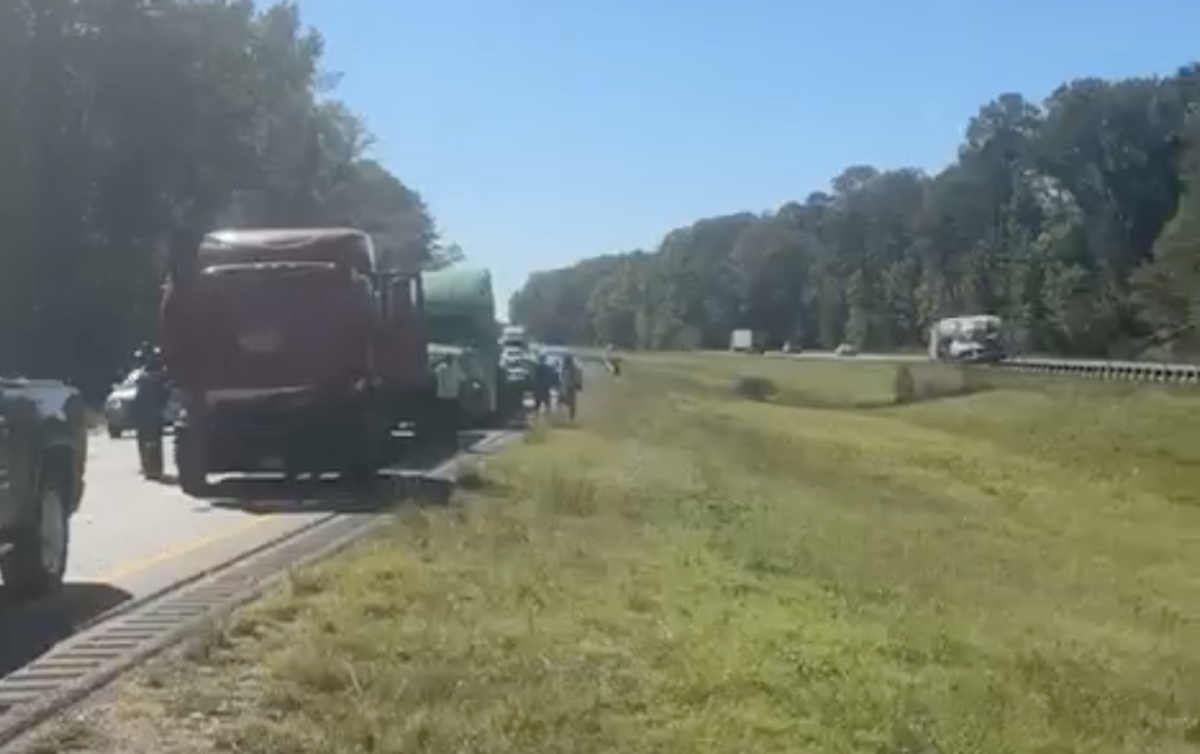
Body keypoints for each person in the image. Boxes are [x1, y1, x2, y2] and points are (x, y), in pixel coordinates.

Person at [131, 347, 170, 481]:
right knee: (150, 441)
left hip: (149, 413)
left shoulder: (149, 377)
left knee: (149, 441)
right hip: (149, 413)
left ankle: (152, 468)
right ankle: (152, 468)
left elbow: (163, 395)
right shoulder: (145, 376)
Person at [557, 354, 581, 421]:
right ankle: (565, 416)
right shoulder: (567, 368)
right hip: (568, 386)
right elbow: (562, 377)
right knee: (568, 401)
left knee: (568, 401)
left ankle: (570, 417)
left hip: (569, 386)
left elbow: (576, 377)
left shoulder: (571, 368)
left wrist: (577, 384)